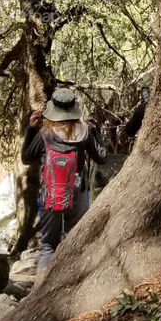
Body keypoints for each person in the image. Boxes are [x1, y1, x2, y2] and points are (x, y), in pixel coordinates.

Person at [21, 87, 106, 274]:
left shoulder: (44, 133)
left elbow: (26, 158)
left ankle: (40, 291)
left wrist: (30, 129)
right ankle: (73, 283)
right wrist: (97, 132)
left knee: (48, 246)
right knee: (75, 241)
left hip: (50, 193)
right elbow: (102, 157)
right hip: (78, 192)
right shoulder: (84, 133)